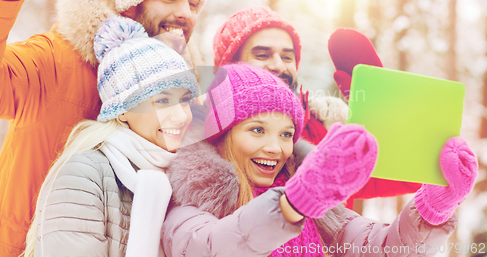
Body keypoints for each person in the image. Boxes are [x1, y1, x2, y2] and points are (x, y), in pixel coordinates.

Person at [0, 0, 206, 255]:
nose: (185, 13)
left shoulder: (184, 99)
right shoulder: (58, 59)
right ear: (131, 6)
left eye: (194, 3)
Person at [162, 63, 477, 257]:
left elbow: (379, 248)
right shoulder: (191, 202)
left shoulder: (316, 206)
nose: (275, 147)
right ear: (221, 133)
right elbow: (211, 248)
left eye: (286, 134)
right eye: (257, 130)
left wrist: (434, 207)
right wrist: (292, 204)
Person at [212, 6, 421, 209]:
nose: (278, 65)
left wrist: (380, 108)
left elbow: (411, 175)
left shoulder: (322, 131)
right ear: (230, 67)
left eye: (287, 57)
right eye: (262, 55)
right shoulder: (208, 140)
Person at [23, 16, 199, 257]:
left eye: (185, 100)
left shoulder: (187, 175)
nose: (180, 117)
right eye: (162, 101)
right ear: (123, 109)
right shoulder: (83, 176)